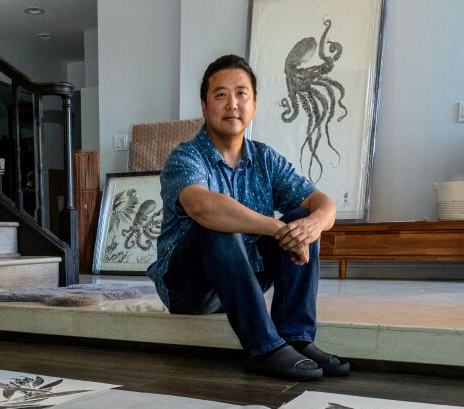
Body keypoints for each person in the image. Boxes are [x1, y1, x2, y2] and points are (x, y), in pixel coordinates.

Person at [147, 54, 349, 380]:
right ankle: (262, 347)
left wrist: (311, 225)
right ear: (204, 105)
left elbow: (321, 202)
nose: (232, 104)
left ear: (254, 104)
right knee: (216, 224)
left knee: (301, 217)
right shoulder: (184, 156)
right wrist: (277, 228)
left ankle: (296, 337)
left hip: (242, 278)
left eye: (241, 93)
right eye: (220, 94)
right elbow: (203, 207)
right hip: (190, 289)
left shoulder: (265, 158)